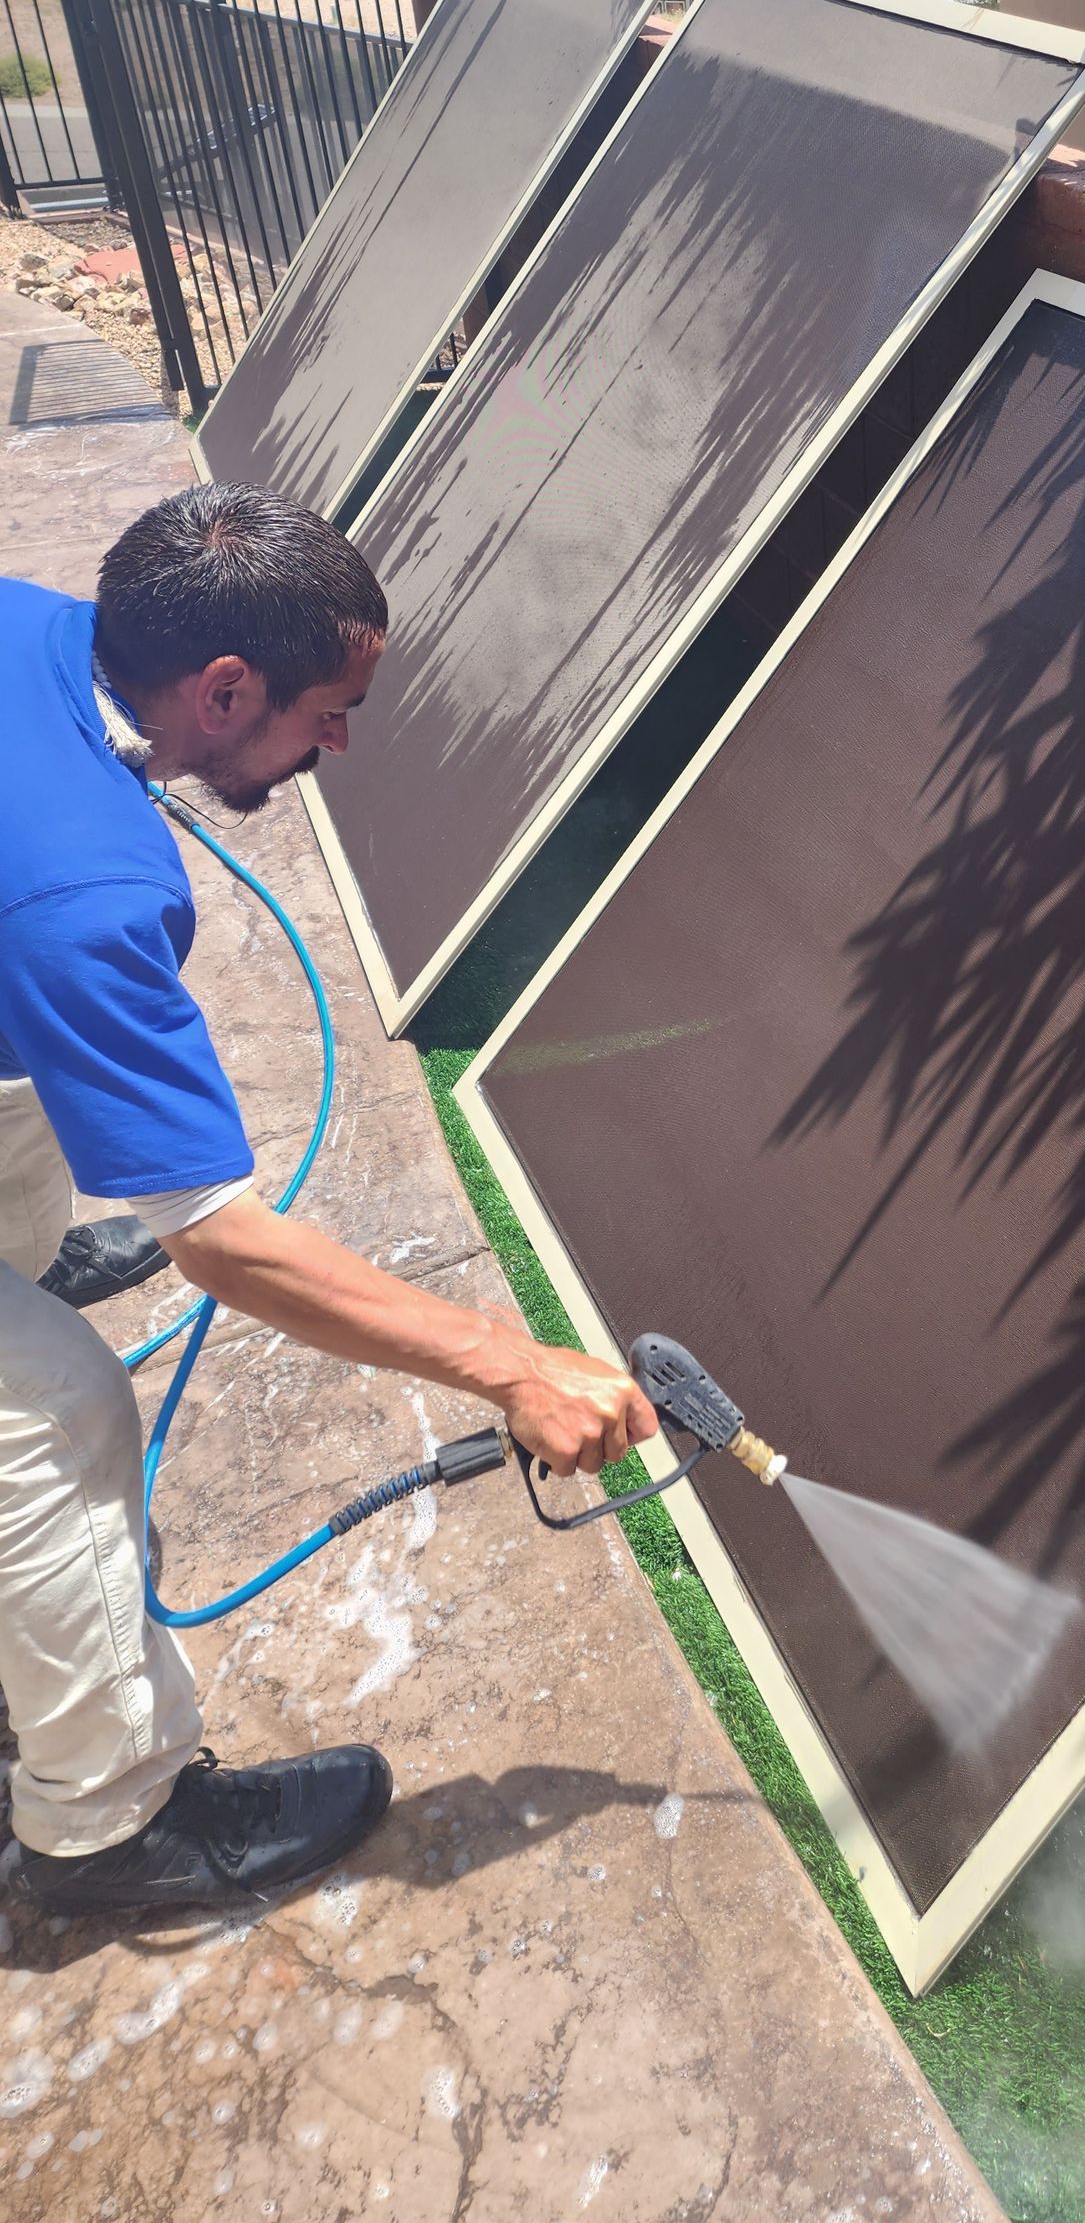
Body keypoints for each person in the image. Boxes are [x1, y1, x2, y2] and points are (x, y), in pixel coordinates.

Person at [0, 483, 657, 1911]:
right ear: (223, 686)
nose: (341, 747)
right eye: (328, 714)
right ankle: (109, 1830)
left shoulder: (30, 627)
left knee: (35, 1125)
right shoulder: (85, 888)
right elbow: (230, 1246)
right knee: (53, 1419)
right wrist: (512, 1363)